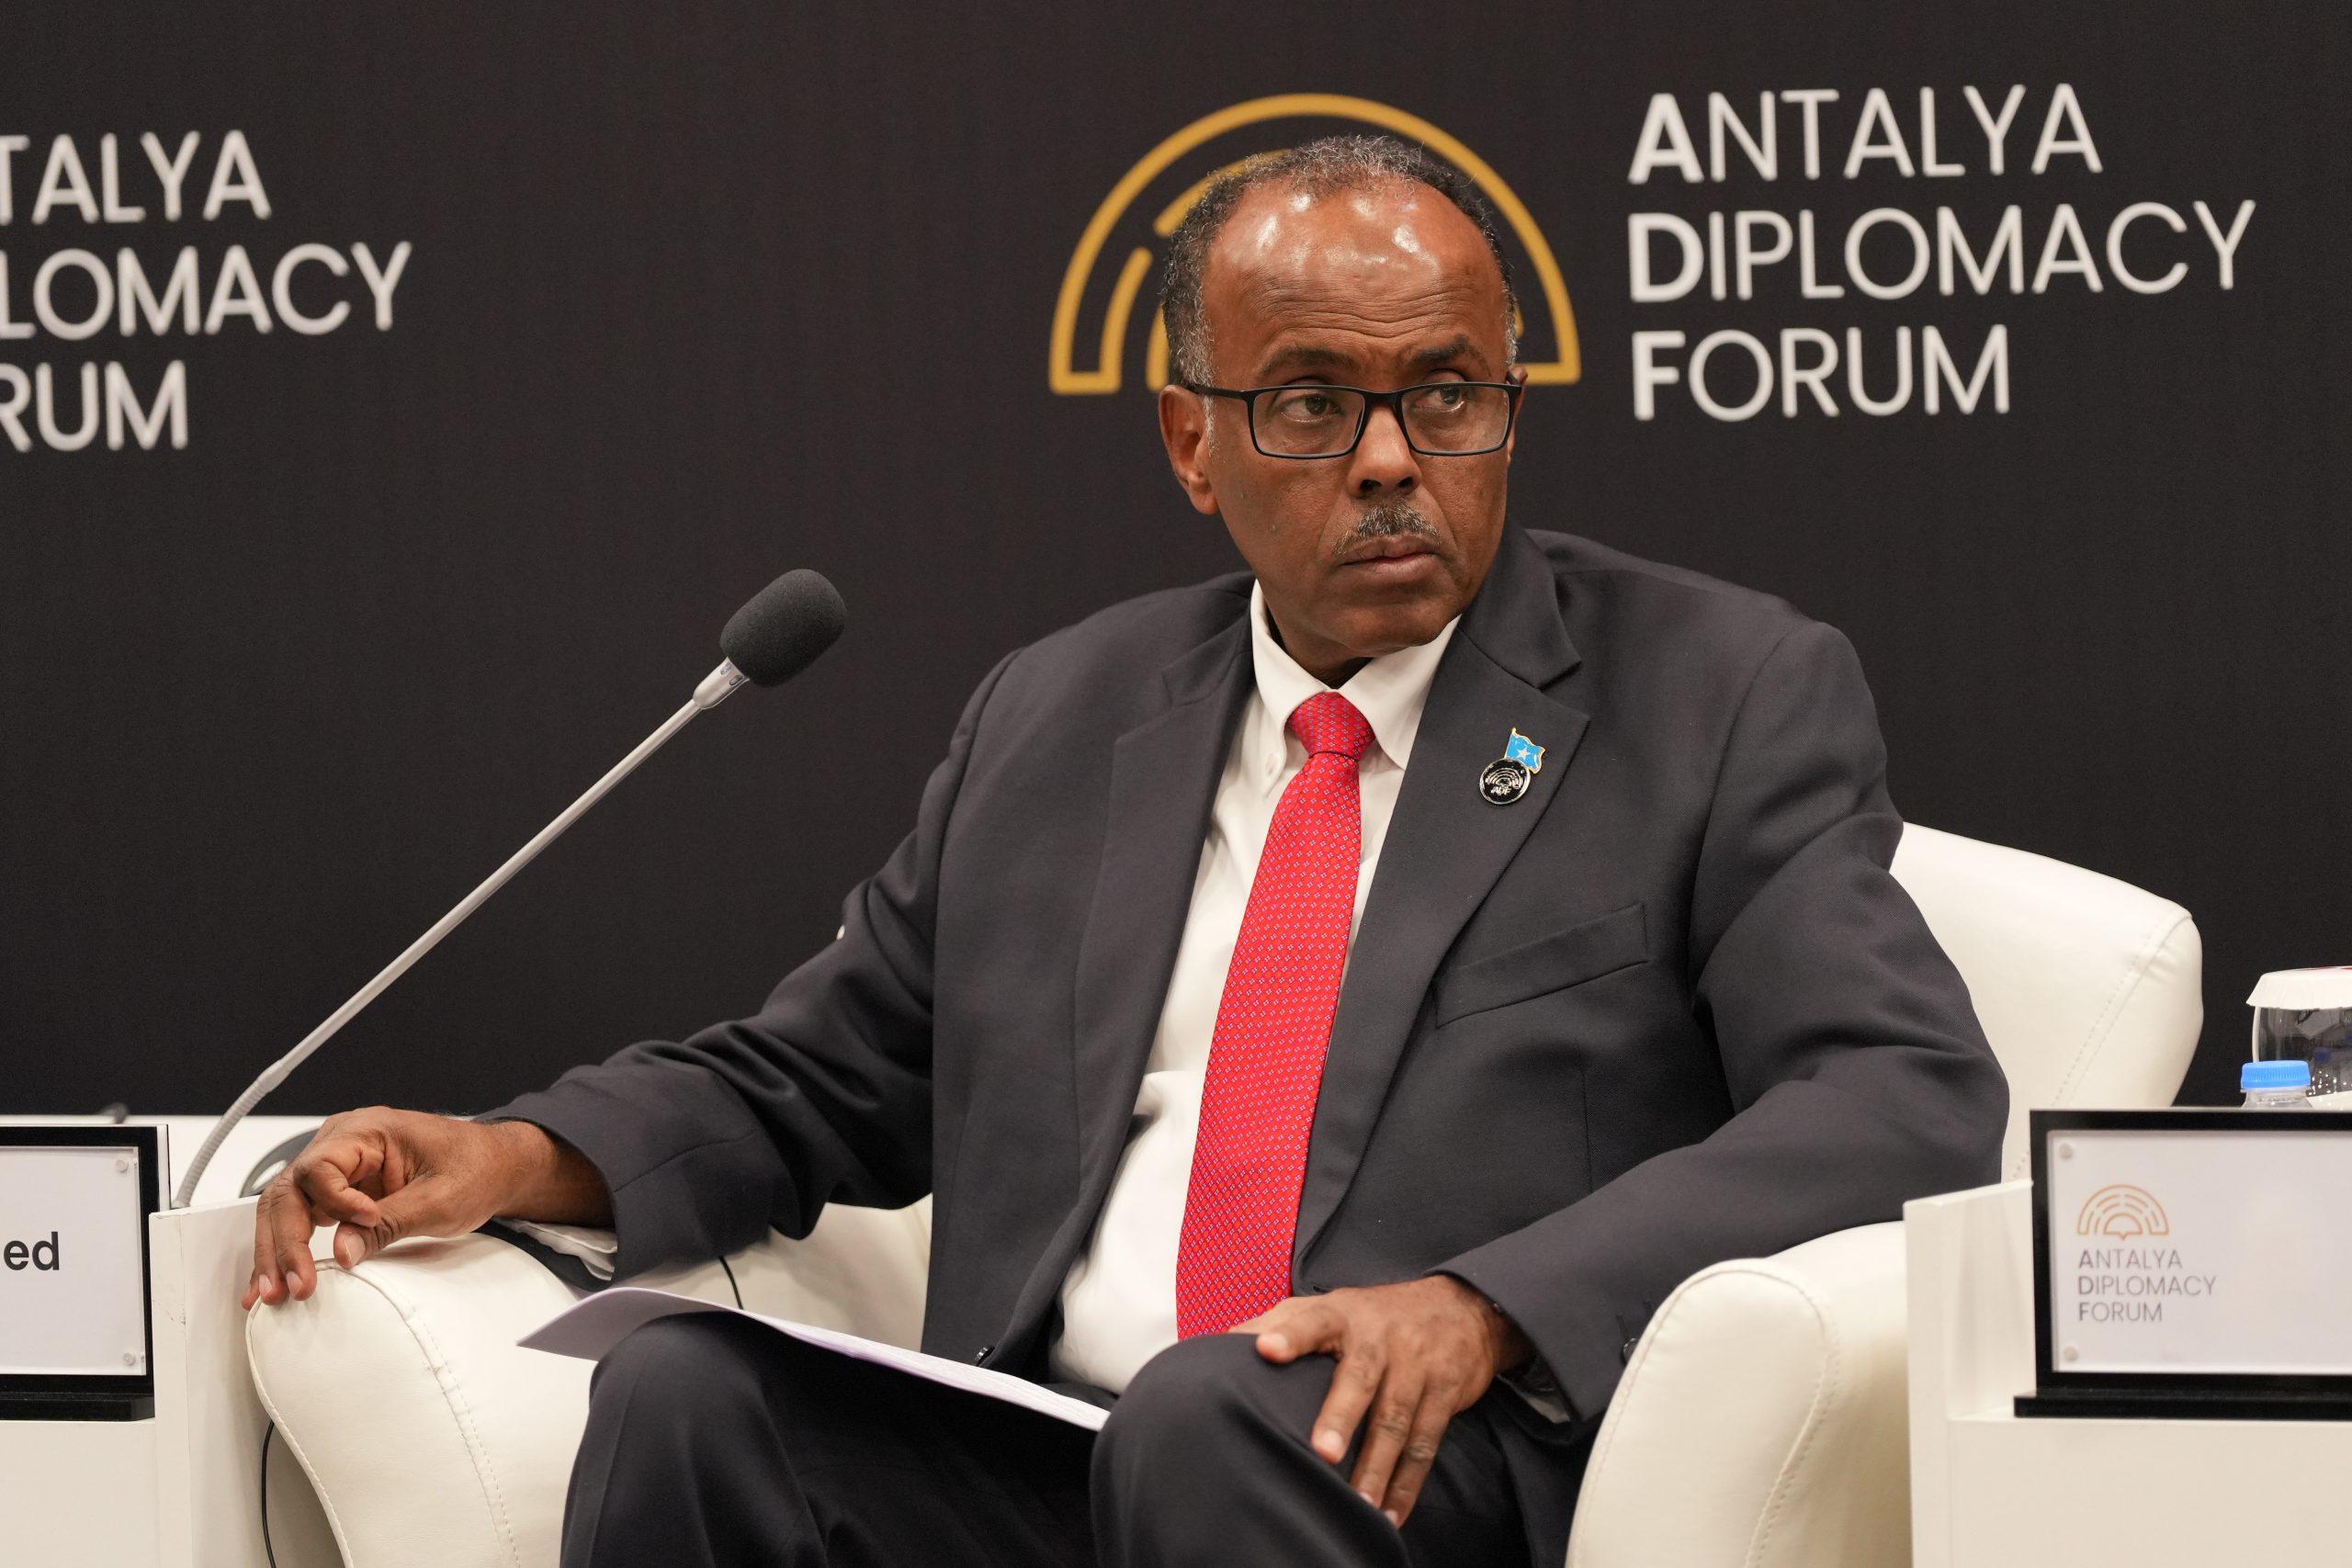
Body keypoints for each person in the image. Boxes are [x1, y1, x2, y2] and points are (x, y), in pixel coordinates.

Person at [245, 134, 2007, 1567]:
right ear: (1191, 441)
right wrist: (515, 1153)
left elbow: (1899, 1091)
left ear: (1509, 406)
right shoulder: (1063, 714)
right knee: (694, 1401)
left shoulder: (1715, 692)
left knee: (1212, 1414)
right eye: (1310, 405)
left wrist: (1489, 1306)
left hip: (1423, 1467)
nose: (1392, 461)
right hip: (1061, 1451)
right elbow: (828, 1079)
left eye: (1447, 395)